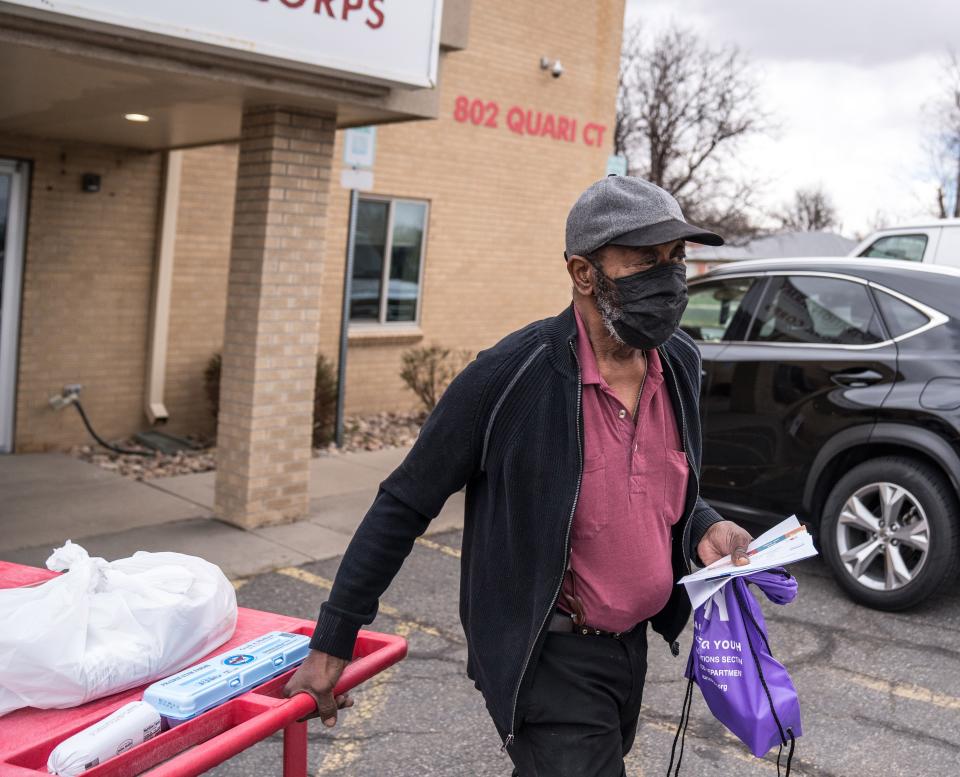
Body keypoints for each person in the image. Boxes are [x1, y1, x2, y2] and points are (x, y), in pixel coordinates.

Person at [285, 175, 753, 776]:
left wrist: (702, 526)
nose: (669, 278)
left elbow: (661, 484)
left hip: (632, 649)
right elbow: (403, 503)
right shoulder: (509, 376)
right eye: (645, 261)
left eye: (676, 259)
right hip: (549, 653)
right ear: (584, 273)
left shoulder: (681, 363)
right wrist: (333, 641)